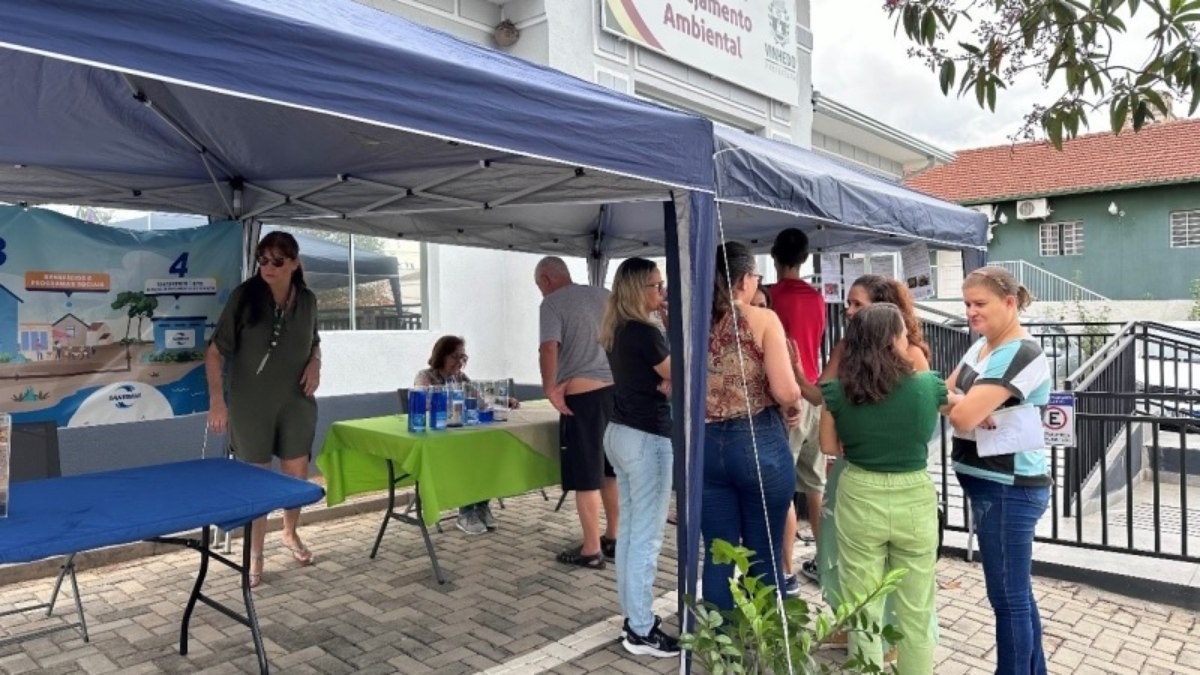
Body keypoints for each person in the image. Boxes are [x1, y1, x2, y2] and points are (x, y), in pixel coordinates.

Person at [819, 303, 945, 673]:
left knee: (862, 606)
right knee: (917, 608)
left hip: (859, 492)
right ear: (894, 338)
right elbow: (959, 410)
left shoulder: (837, 392)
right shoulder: (928, 386)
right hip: (914, 495)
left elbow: (828, 447)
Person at [946, 266, 1051, 675]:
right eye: (967, 304)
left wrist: (969, 406)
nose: (971, 312)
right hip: (989, 484)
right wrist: (968, 404)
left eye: (980, 304)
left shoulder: (1022, 351)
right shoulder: (982, 348)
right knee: (1017, 594)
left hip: (1009, 487)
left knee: (1007, 599)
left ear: (1009, 303)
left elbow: (961, 416)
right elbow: (943, 393)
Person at [206, 231, 321, 588]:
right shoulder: (246, 296)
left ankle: (289, 533)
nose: (268, 267)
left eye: (277, 261)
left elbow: (314, 341)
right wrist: (217, 402)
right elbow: (214, 353)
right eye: (263, 259)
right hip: (251, 401)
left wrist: (316, 362)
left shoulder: (308, 300)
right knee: (258, 481)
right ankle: (255, 554)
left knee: (295, 477)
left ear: (294, 263)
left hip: (296, 399)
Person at [702, 242, 802, 611]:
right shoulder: (762, 319)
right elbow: (786, 388)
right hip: (757, 440)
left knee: (718, 552)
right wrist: (792, 403)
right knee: (763, 550)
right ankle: (764, 649)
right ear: (745, 278)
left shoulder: (690, 318)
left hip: (706, 444)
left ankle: (720, 653)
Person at [599, 258, 679, 658]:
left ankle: (635, 618)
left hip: (620, 432)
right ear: (637, 289)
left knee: (630, 533)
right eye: (656, 286)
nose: (661, 293)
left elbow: (665, 377)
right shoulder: (646, 333)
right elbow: (680, 374)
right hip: (647, 436)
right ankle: (642, 629)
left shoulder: (617, 328)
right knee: (645, 537)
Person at [535, 256, 619, 568]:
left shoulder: (552, 304)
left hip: (583, 397)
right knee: (612, 470)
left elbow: (549, 347)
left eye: (539, 287)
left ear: (546, 279)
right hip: (616, 391)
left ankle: (591, 549)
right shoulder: (603, 294)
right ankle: (614, 538)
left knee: (587, 475)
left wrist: (549, 388)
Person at [768, 228, 827, 585]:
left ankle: (785, 570)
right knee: (815, 485)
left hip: (787, 396)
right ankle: (824, 561)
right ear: (805, 258)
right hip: (815, 393)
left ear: (774, 256)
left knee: (783, 487)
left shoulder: (771, 298)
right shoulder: (817, 298)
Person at [414, 335, 519, 535]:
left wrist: (504, 400)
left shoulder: (461, 378)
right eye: (455, 357)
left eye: (464, 357)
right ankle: (466, 511)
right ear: (441, 355)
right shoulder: (426, 377)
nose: (460, 362)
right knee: (470, 457)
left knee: (489, 453)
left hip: (460, 438)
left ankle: (480, 505)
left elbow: (481, 400)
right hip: (437, 442)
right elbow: (424, 405)